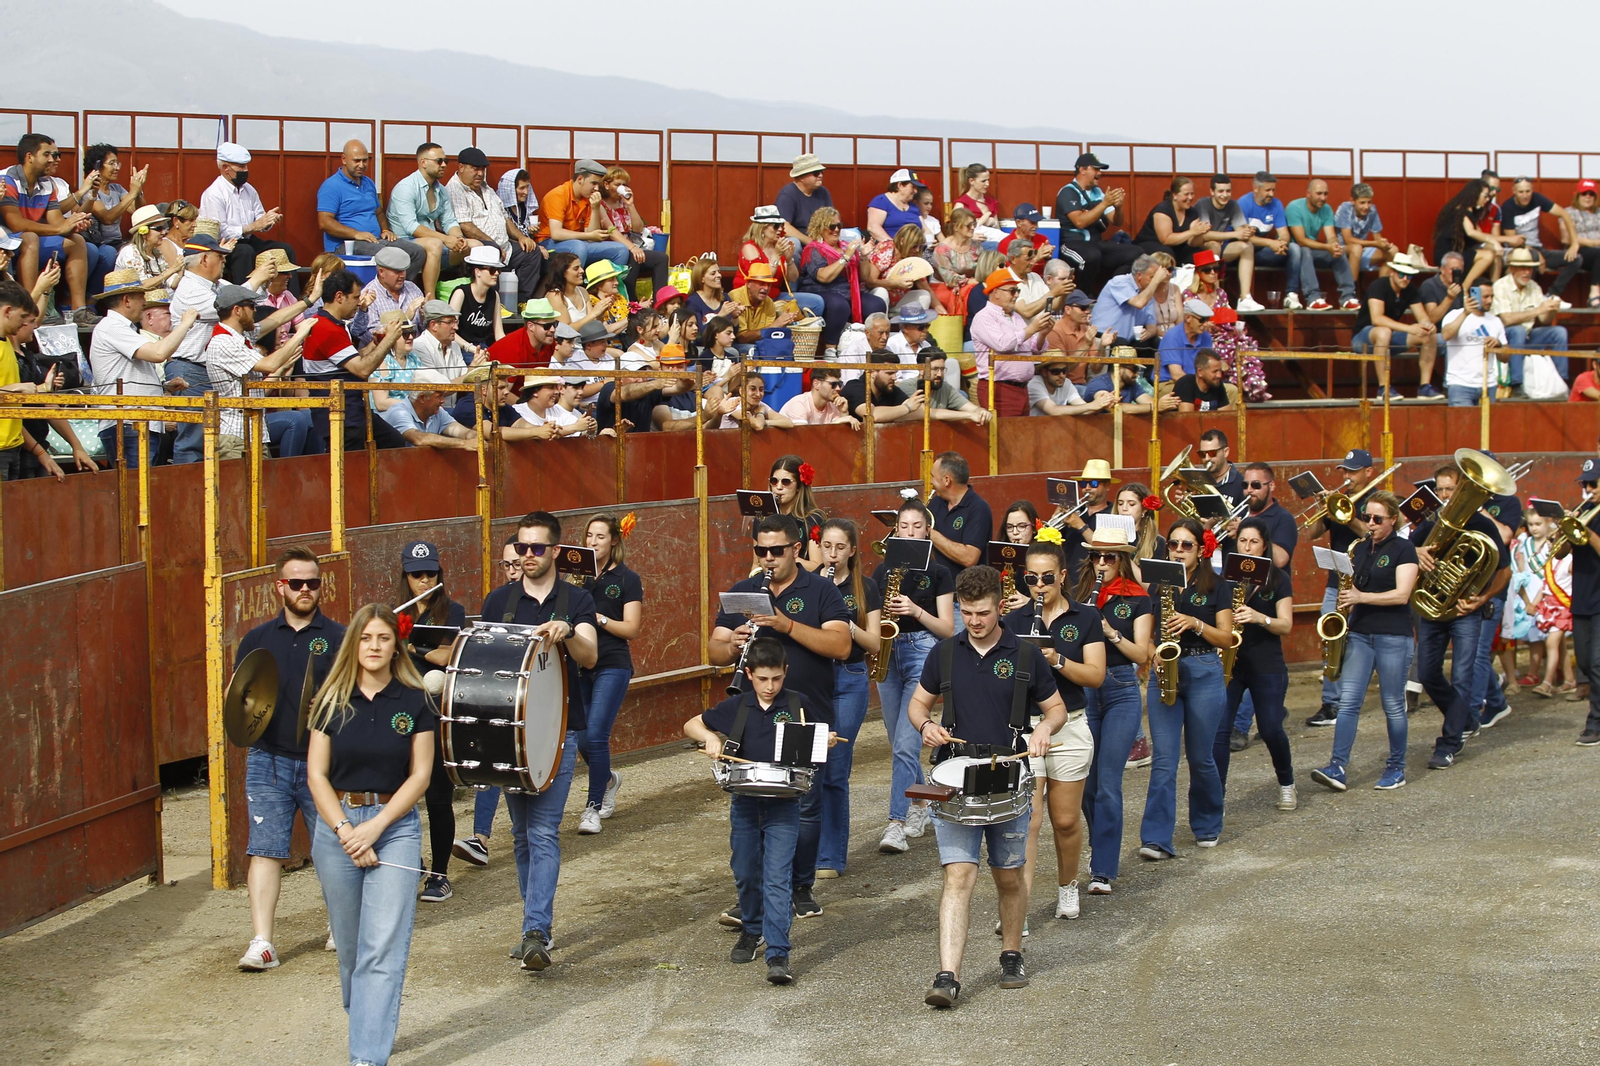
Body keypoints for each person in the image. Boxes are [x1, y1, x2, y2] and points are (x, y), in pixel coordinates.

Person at [906, 565, 1066, 1006]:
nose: (973, 621)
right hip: (957, 774)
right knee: (958, 874)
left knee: (1008, 875)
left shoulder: (1025, 654)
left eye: (982, 612)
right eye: (966, 612)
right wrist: (926, 726)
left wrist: (1043, 730)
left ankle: (1011, 953)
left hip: (1007, 775)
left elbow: (1056, 709)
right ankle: (947, 976)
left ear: (1000, 606)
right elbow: (918, 705)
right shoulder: (944, 653)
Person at [304, 603, 435, 1066]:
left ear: (395, 644)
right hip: (337, 827)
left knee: (382, 948)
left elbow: (420, 775)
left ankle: (366, 1055)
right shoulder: (330, 699)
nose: (375, 647)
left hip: (394, 827)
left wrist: (376, 827)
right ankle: (366, 1020)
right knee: (353, 947)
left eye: (383, 638)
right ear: (353, 644)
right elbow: (316, 775)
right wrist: (345, 829)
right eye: (366, 638)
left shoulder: (415, 699)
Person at [709, 514, 852, 925]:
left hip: (807, 715)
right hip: (751, 718)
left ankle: (799, 885)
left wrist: (786, 625)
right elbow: (714, 651)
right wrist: (732, 644)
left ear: (795, 549)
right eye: (761, 551)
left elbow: (841, 645)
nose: (768, 558)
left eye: (776, 551)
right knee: (751, 810)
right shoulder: (743, 591)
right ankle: (752, 894)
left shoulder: (821, 590)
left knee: (805, 808)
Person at [479, 512, 599, 969]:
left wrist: (567, 632)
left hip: (558, 732)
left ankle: (536, 931)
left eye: (537, 548)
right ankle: (533, 924)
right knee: (523, 835)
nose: (528, 556)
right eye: (522, 549)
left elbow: (589, 657)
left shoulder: (577, 599)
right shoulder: (499, 602)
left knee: (544, 831)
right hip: (511, 736)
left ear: (554, 551)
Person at [232, 547, 346, 971]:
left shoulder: (339, 636)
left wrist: (333, 704)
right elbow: (240, 700)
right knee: (265, 850)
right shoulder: (257, 640)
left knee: (332, 848)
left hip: (323, 761)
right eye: (295, 582)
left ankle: (340, 925)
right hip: (268, 759)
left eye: (312, 583)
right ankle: (262, 942)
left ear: (321, 586)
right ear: (280, 586)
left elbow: (357, 696)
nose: (304, 589)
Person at [685, 638, 820, 985]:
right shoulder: (738, 706)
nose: (770, 686)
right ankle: (752, 927)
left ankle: (778, 953)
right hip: (745, 801)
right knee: (745, 871)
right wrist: (709, 738)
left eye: (776, 678)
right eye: (762, 679)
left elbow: (815, 749)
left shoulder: (798, 704)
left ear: (785, 673)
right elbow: (691, 724)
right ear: (749, 674)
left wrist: (823, 741)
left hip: (784, 804)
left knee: (777, 877)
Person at [1003, 539, 1103, 923]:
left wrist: (1057, 659)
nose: (1039, 585)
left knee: (1065, 820)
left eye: (1047, 577)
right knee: (1028, 819)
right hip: (1025, 729)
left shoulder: (1085, 618)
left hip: (1070, 726)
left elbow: (1095, 676)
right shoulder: (1012, 621)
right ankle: (1018, 908)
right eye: (1031, 578)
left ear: (1062, 576)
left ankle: (1067, 886)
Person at [1138, 517, 1234, 859]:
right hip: (1167, 669)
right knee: (1164, 759)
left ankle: (1208, 823)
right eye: (1173, 545)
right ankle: (1156, 838)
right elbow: (1144, 636)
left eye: (1186, 545)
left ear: (1201, 549)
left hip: (1204, 667)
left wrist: (1195, 622)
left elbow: (1227, 636)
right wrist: (1154, 657)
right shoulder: (1157, 585)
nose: (1178, 551)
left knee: (1200, 757)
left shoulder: (1217, 585)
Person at [1309, 491, 1418, 792]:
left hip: (1393, 635)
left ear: (1392, 520)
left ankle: (1396, 768)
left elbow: (1402, 594)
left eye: (1377, 519)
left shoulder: (1404, 549)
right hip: (1360, 632)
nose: (1370, 523)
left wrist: (1360, 597)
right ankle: (1337, 766)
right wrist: (1348, 599)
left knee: (1393, 704)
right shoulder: (1361, 549)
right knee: (1349, 702)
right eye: (1367, 517)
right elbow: (1355, 589)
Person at [872, 499, 956, 855]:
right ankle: (922, 804)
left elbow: (948, 629)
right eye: (903, 527)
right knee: (899, 743)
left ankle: (896, 823)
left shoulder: (939, 574)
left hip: (922, 651)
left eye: (916, 527)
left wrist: (915, 610)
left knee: (907, 744)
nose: (909, 532)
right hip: (888, 652)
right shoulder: (881, 572)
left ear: (927, 531)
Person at [387, 541, 468, 905]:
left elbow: (449, 655)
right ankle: (412, 862)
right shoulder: (391, 614)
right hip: (400, 710)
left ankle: (440, 875)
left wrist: (411, 646)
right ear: (405, 576)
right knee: (396, 791)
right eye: (417, 574)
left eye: (430, 573)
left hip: (434, 709)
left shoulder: (452, 611)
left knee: (437, 795)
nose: (424, 580)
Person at [1077, 526, 1153, 894]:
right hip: (1086, 688)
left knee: (1108, 781)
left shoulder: (1138, 598)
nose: (1102, 563)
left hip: (1122, 687)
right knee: (1086, 783)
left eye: (1109, 557)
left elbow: (1143, 655)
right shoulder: (1080, 592)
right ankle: (1097, 847)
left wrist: (1109, 632)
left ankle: (1103, 870)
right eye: (1096, 556)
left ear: (1122, 559)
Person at [815, 519, 883, 878]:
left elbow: (874, 642)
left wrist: (845, 621)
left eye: (840, 547)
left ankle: (830, 857)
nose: (833, 554)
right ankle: (805, 849)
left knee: (835, 768)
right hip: (814, 679)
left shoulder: (866, 587)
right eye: (827, 546)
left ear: (852, 550)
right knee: (808, 766)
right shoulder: (809, 582)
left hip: (850, 676)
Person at [1215, 520, 1297, 811]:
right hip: (1232, 665)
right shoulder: (1226, 577)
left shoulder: (1278, 579)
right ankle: (1217, 795)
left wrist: (1259, 617)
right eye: (1243, 541)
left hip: (1267, 664)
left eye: (1253, 542)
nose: (1247, 547)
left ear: (1265, 545)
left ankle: (1286, 783)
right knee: (1220, 730)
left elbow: (1285, 625)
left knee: (1271, 728)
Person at [573, 512, 642, 835]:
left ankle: (592, 807)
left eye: (600, 537)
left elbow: (631, 628)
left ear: (614, 540)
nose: (593, 542)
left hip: (613, 663)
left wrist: (598, 618)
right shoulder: (577, 578)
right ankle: (610, 779)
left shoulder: (627, 579)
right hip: (579, 663)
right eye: (589, 536)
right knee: (582, 737)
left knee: (597, 733)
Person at [85, 272, 200, 464]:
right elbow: (158, 353)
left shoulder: (120, 328)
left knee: (139, 489)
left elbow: (128, 374)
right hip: (129, 423)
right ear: (127, 300)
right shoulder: (112, 327)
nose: (145, 302)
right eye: (141, 297)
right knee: (135, 489)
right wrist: (186, 323)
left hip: (136, 422)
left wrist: (164, 387)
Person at [1303, 449, 1381, 727]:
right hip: (1336, 583)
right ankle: (1331, 703)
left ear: (1368, 472)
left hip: (1366, 585)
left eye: (1353, 471)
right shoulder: (1339, 499)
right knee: (1331, 638)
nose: (1347, 477)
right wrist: (1323, 506)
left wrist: (1347, 516)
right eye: (1345, 471)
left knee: (1360, 644)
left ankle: (1350, 700)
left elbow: (1371, 535)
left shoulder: (1376, 502)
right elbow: (1311, 533)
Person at [204, 284, 317, 460]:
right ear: (237, 310)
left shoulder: (240, 335)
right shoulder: (223, 342)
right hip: (236, 437)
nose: (255, 310)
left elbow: (276, 319)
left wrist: (309, 300)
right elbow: (270, 364)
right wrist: (299, 335)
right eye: (251, 306)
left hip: (251, 432)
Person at [300, 270, 407, 453]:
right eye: (356, 297)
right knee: (350, 468)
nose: (359, 302)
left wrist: (376, 343)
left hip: (353, 411)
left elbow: (354, 359)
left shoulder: (334, 324)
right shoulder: (326, 328)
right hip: (341, 415)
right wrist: (390, 339)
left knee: (394, 442)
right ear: (339, 297)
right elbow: (362, 369)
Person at [2, 133, 95, 326]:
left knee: (76, 242)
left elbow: (57, 222)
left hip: (31, 238)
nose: (52, 159)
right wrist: (61, 227)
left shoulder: (46, 184)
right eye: (47, 155)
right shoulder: (8, 180)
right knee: (30, 237)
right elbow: (16, 224)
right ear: (29, 157)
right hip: (8, 241)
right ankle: (30, 308)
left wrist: (73, 225)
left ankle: (79, 311)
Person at [316, 140, 428, 282]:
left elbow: (379, 212)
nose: (361, 165)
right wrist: (356, 234)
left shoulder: (368, 182)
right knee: (389, 255)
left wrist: (386, 230)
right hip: (345, 245)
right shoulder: (331, 186)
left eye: (365, 160)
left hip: (375, 240)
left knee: (417, 252)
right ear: (344, 159)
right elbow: (324, 222)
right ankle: (383, 291)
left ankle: (401, 289)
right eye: (356, 161)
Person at [446, 147, 546, 306]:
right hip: (478, 248)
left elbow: (504, 217)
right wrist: (492, 243)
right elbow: (465, 225)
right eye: (475, 168)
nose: (480, 173)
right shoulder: (454, 189)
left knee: (532, 251)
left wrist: (521, 236)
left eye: (483, 169)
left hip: (505, 246)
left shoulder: (486, 188)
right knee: (491, 253)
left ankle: (521, 302)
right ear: (461, 167)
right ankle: (494, 305)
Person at [199, 142, 296, 288]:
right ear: (226, 168)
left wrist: (268, 220)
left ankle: (291, 300)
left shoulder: (249, 189)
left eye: (246, 166)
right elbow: (220, 231)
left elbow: (259, 220)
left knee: (284, 249)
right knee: (245, 252)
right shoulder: (214, 194)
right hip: (224, 245)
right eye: (241, 167)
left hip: (248, 240)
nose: (246, 170)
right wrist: (253, 226)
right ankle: (245, 299)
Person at [387, 143, 478, 298]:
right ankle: (430, 299)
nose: (443, 165)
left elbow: (449, 221)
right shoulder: (406, 187)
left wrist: (458, 238)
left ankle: (475, 297)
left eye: (446, 161)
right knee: (434, 244)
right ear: (423, 162)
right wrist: (446, 239)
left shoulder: (441, 190)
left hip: (432, 242)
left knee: (476, 245)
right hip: (404, 241)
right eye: (439, 161)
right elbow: (411, 227)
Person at [1351, 251, 1438, 400]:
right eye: (1401, 274)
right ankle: (1383, 387)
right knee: (1383, 332)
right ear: (1392, 272)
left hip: (1390, 336)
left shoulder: (1410, 289)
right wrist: (1409, 328)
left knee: (1429, 334)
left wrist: (1428, 325)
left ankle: (1425, 386)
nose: (1405, 279)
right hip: (1363, 338)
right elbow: (1377, 319)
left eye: (1409, 276)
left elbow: (1422, 316)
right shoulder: (1378, 286)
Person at [1054, 152, 1143, 290]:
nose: (1099, 173)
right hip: (1072, 243)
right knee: (1091, 256)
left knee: (1136, 253)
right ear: (1082, 170)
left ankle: (1113, 290)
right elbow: (1079, 222)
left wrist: (1118, 207)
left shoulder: (1098, 192)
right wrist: (1104, 204)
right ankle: (1082, 296)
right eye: (1095, 169)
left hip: (1095, 244)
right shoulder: (1068, 192)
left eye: (1100, 170)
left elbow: (1116, 221)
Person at [798, 208, 887, 345]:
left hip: (848, 291)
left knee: (876, 303)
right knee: (839, 305)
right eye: (831, 226)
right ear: (820, 228)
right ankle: (830, 347)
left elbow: (863, 277)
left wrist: (863, 256)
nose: (836, 230)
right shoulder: (813, 249)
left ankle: (870, 345)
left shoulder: (847, 247)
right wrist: (845, 257)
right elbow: (823, 277)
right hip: (821, 290)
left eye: (839, 225)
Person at [972, 269, 1052, 416]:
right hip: (999, 389)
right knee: (1004, 436)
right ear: (996, 292)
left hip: (1021, 388)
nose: (1016, 295)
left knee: (1018, 436)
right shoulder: (983, 317)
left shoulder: (1016, 317)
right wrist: (1032, 328)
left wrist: (1042, 333)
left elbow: (1035, 349)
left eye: (1017, 290)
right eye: (1012, 291)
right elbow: (1003, 344)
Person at [533, 159, 632, 278]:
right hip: (549, 243)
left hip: (579, 242)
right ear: (580, 179)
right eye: (593, 183)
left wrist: (595, 209)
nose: (596, 188)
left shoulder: (588, 197)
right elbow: (556, 233)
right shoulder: (558, 195)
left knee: (620, 249)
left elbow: (592, 236)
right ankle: (576, 290)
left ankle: (608, 290)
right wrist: (589, 236)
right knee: (578, 247)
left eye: (598, 185)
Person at [1493, 247, 1569, 395]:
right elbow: (1506, 320)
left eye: (1529, 268)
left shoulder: (1534, 287)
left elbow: (1544, 320)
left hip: (1527, 336)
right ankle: (1517, 384)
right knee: (1517, 330)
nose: (1527, 272)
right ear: (1513, 269)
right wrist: (1538, 310)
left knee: (1559, 332)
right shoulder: (1501, 286)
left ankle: (1562, 380)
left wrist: (1551, 310)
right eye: (1522, 268)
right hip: (1503, 338)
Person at [80, 143, 147, 295]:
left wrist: (139, 190)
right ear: (97, 166)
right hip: (96, 243)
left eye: (118, 163)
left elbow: (138, 211)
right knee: (108, 253)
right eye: (112, 163)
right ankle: (92, 300)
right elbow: (107, 218)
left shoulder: (117, 189)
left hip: (116, 242)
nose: (117, 167)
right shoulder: (90, 190)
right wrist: (131, 194)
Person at [735, 205, 823, 318]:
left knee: (817, 303)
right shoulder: (750, 247)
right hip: (752, 297)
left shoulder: (777, 247)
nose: (780, 229)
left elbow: (793, 278)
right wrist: (776, 255)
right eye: (776, 226)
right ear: (762, 228)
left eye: (781, 226)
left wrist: (789, 259)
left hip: (774, 296)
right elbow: (761, 278)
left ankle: (801, 331)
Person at [597, 166, 669, 302]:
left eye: (624, 184)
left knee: (661, 258)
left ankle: (661, 302)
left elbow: (638, 229)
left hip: (631, 247)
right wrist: (632, 247)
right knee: (632, 257)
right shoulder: (601, 204)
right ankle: (632, 303)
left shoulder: (623, 204)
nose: (622, 187)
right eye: (617, 184)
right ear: (606, 185)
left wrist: (630, 205)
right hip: (613, 249)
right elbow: (611, 232)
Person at [1193, 174, 1263, 311]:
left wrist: (1248, 231)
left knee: (1247, 246)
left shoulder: (1233, 205)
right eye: (1221, 191)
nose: (1225, 195)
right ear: (1212, 192)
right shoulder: (1203, 204)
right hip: (1200, 248)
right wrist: (1236, 234)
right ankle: (1216, 297)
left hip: (1222, 246)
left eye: (1228, 191)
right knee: (1213, 245)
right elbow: (1204, 234)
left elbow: (1240, 230)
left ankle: (1245, 298)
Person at [1284, 178, 1357, 311]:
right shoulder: (1294, 207)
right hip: (1293, 253)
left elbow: (1331, 236)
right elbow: (1300, 240)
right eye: (1319, 193)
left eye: (1325, 194)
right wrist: (1327, 247)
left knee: (1339, 252)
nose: (1323, 198)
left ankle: (1347, 298)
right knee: (1304, 250)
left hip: (1313, 250)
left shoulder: (1326, 209)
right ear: (1308, 193)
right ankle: (1313, 298)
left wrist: (1334, 245)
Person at [1569, 461, 1600, 745]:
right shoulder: (1583, 511)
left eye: (1593, 484)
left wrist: (1587, 533)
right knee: (1587, 662)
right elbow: (1558, 555)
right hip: (1581, 596)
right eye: (1584, 485)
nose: (1588, 490)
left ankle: (1595, 723)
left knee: (1598, 662)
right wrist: (1565, 530)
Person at [1432, 178, 1503, 294]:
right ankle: (1463, 290)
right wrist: (1495, 242)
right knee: (1487, 255)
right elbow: (1471, 232)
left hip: (1461, 251)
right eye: (1485, 196)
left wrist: (1494, 245)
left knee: (1493, 252)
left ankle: (1493, 289)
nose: (1487, 199)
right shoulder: (1462, 210)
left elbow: (1481, 235)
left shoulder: (1472, 212)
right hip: (1448, 253)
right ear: (1475, 194)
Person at [928, 451, 993, 574]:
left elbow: (969, 558)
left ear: (947, 480)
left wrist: (930, 533)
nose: (931, 482)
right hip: (936, 587)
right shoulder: (935, 503)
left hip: (966, 589)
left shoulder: (979, 508)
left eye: (933, 476)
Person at [1442, 286, 1508, 407]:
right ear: (1472, 296)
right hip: (1460, 384)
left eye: (1492, 296)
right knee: (1462, 425)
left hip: (1488, 385)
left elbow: (1506, 358)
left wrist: (1498, 344)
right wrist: (1465, 313)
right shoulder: (1454, 315)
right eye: (1485, 297)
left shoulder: (1496, 321)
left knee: (1488, 426)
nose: (1490, 301)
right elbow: (1446, 335)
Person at [1236, 172, 1294, 306]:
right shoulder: (1243, 204)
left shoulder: (1276, 204)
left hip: (1263, 252)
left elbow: (1284, 233)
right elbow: (1244, 236)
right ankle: (1244, 298)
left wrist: (1281, 243)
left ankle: (1291, 295)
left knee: (1295, 250)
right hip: (1242, 252)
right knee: (1247, 246)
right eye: (1267, 190)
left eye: (1273, 190)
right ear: (1255, 188)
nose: (1271, 194)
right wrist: (1270, 242)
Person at [1090, 254, 1165, 359]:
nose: (1155, 281)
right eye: (1152, 277)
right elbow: (1139, 303)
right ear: (1139, 275)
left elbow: (1152, 326)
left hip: (1129, 341)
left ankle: (1148, 375)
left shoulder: (1148, 292)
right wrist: (1156, 281)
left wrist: (1148, 333)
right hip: (1104, 336)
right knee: (1122, 345)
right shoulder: (1120, 282)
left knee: (1154, 342)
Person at [381, 378, 480, 450]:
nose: (442, 400)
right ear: (422, 398)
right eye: (438, 396)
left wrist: (474, 436)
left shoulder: (437, 412)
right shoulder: (398, 412)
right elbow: (418, 438)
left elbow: (460, 430)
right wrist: (465, 443)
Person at [768, 454, 827, 571]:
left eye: (786, 482)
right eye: (774, 481)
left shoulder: (813, 518)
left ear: (799, 486)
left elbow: (817, 566)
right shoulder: (763, 517)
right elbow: (756, 565)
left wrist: (783, 557)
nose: (778, 487)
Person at [1134, 177, 1209, 265]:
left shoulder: (1192, 212)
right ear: (1175, 195)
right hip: (1151, 243)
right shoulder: (1163, 210)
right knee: (1167, 253)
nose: (1190, 197)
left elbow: (1193, 243)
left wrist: (1200, 232)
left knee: (1200, 254)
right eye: (1186, 194)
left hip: (1178, 246)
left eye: (1192, 194)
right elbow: (1166, 239)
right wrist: (1192, 232)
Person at [1334, 183, 1398, 284]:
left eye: (1369, 202)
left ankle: (1381, 288)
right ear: (1352, 201)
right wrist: (1375, 243)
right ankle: (1351, 292)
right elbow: (1348, 240)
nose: (1366, 206)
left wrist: (1383, 244)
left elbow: (1377, 237)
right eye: (1362, 203)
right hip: (1342, 251)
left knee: (1393, 251)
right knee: (1356, 248)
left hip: (1362, 250)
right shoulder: (1345, 208)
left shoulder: (1372, 210)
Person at [842, 349, 926, 425]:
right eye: (889, 373)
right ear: (873, 372)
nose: (895, 377)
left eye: (895, 373)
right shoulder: (854, 387)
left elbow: (919, 412)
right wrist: (907, 407)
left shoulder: (890, 389)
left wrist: (937, 414)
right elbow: (872, 415)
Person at [448, 245, 506, 349]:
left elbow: (499, 334)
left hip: (483, 347)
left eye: (498, 270)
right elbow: (449, 331)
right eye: (492, 270)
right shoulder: (461, 293)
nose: (496, 273)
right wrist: (470, 348)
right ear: (477, 272)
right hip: (460, 347)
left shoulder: (494, 295)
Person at [916, 347, 993, 425]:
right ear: (921, 370)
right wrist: (969, 415)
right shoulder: (908, 387)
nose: (939, 374)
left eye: (942, 369)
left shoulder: (945, 387)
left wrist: (981, 412)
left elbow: (973, 409)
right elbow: (925, 412)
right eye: (935, 369)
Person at [931, 207, 982, 318]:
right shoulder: (942, 249)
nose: (973, 228)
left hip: (971, 285)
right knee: (971, 292)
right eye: (968, 225)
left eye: (974, 224)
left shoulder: (976, 246)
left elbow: (983, 268)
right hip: (944, 286)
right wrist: (975, 281)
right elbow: (950, 279)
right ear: (956, 227)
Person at [729, 261, 799, 343]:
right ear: (748, 284)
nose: (766, 288)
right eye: (761, 283)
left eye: (769, 285)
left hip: (760, 343)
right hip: (736, 345)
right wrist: (775, 326)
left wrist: (782, 323)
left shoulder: (769, 302)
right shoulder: (736, 297)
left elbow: (768, 335)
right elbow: (742, 338)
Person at [1558, 180, 1600, 307]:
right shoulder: (1568, 213)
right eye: (1584, 194)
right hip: (1578, 251)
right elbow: (1566, 238)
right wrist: (1593, 242)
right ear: (1577, 195)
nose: (1588, 197)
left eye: (1591, 194)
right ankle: (1594, 292)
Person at [776, 154, 832, 247]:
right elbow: (784, 226)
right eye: (816, 173)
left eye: (822, 172)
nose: (820, 175)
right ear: (801, 177)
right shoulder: (787, 195)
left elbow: (832, 219)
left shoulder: (823, 192)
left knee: (853, 237)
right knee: (794, 243)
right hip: (800, 239)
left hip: (822, 237)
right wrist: (810, 242)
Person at [779, 366, 859, 428]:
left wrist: (843, 413)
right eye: (833, 384)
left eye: (840, 384)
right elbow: (805, 439)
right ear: (816, 384)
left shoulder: (833, 406)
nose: (838, 388)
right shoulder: (799, 404)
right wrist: (836, 423)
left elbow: (840, 437)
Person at [1157, 299, 1213, 383]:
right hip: (1170, 383)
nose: (1205, 324)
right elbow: (1176, 375)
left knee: (1232, 390)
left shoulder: (1206, 337)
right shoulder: (1172, 337)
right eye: (1202, 320)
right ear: (1188, 318)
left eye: (1207, 320)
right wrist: (1200, 387)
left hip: (1198, 383)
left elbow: (1208, 369)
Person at [1028, 359, 1108, 416]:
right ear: (1044, 372)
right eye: (1055, 372)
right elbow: (1054, 410)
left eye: (1064, 371)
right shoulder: (1034, 384)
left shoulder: (1066, 382)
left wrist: (1103, 402)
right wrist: (1092, 405)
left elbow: (1084, 409)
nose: (1062, 375)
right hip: (1034, 431)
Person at [866, 169, 925, 243]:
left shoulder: (914, 207)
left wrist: (929, 241)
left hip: (915, 249)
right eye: (913, 187)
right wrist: (894, 245)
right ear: (899, 185)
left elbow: (924, 229)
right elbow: (873, 227)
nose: (915, 191)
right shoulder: (881, 201)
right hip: (891, 250)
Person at [685, 256, 740, 328]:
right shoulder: (693, 302)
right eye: (713, 273)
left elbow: (732, 333)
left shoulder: (725, 298)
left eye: (719, 272)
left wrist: (734, 317)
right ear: (702, 278)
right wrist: (720, 315)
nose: (719, 275)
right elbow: (698, 334)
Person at [954, 163, 999, 228]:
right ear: (971, 181)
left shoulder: (991, 202)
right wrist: (972, 235)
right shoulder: (961, 204)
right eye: (983, 181)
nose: (987, 184)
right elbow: (955, 231)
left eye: (988, 180)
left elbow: (997, 228)